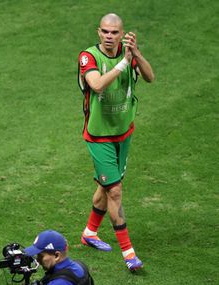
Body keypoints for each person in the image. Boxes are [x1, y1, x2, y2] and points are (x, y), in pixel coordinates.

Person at [77, 13, 154, 271]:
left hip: (124, 133)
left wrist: (136, 54)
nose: (110, 37)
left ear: (122, 34)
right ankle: (129, 254)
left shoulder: (128, 53)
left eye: (115, 33)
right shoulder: (88, 57)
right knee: (115, 190)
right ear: (98, 32)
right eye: (105, 32)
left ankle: (89, 233)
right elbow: (97, 84)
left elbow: (150, 77)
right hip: (99, 136)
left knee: (106, 185)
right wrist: (123, 63)